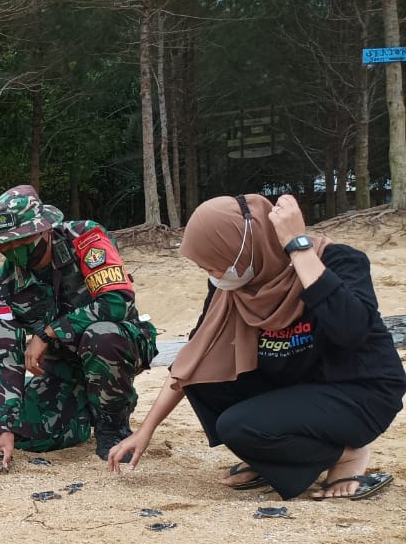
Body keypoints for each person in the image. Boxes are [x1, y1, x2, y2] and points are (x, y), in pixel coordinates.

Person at [109, 193, 406, 501]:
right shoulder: (237, 285)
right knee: (203, 378)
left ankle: (344, 454)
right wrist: (145, 431)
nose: (210, 274)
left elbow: (352, 329)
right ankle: (274, 457)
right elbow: (193, 357)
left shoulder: (339, 260)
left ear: (244, 251)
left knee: (237, 426)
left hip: (359, 392)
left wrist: (297, 247)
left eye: (212, 265)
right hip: (298, 386)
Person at [0, 185, 156, 469]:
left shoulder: (85, 238)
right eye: (4, 245)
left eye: (20, 242)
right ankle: (85, 409)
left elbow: (117, 301)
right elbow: (3, 355)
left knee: (102, 335)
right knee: (30, 435)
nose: (12, 250)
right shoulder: (3, 288)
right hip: (63, 365)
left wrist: (49, 333)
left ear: (44, 229)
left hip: (119, 346)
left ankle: (112, 426)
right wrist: (6, 429)